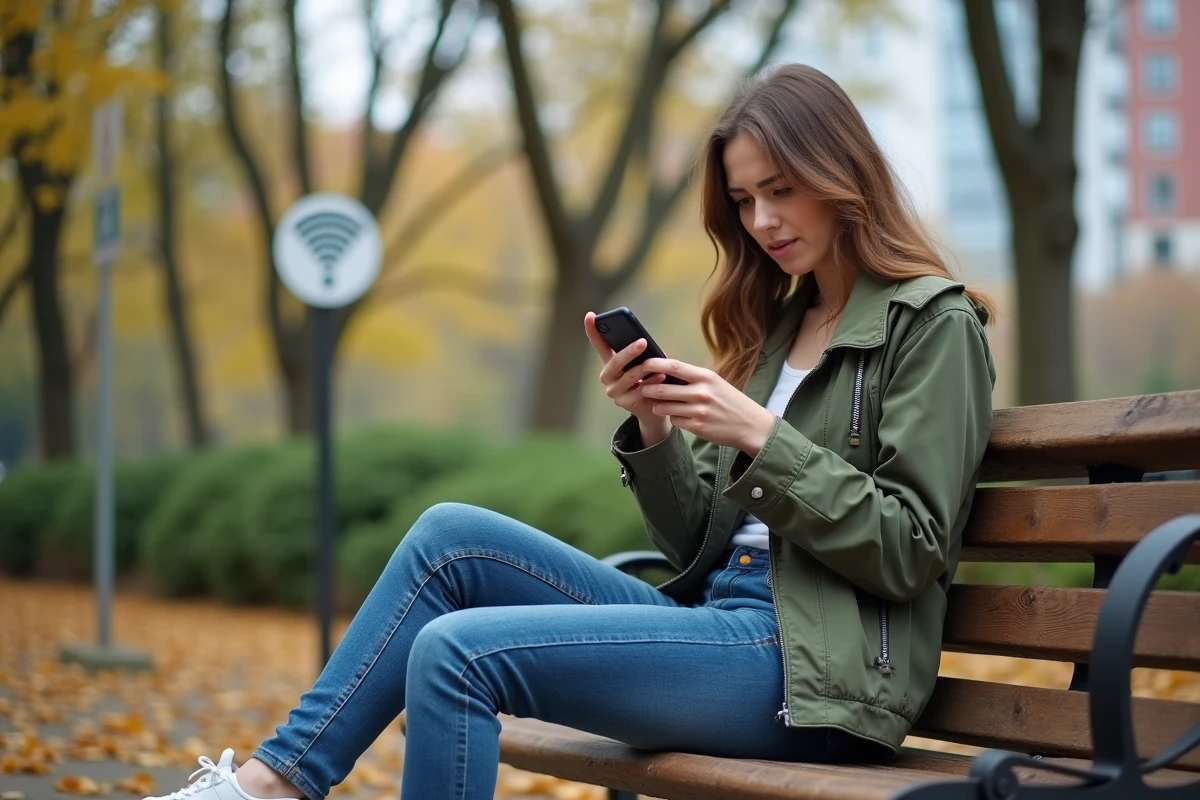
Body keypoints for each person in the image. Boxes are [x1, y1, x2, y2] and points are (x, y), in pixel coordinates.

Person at [147, 63, 995, 800]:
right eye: (744, 200)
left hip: (815, 677)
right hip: (723, 625)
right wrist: (654, 429)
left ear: (838, 172)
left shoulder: (932, 324)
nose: (762, 220)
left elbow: (913, 548)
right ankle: (274, 782)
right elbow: (694, 545)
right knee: (448, 538)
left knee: (454, 655)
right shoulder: (775, 330)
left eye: (780, 190)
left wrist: (763, 437)